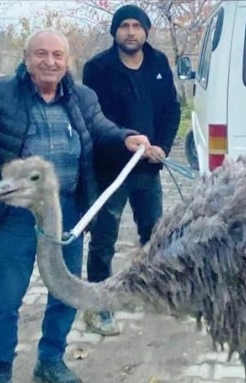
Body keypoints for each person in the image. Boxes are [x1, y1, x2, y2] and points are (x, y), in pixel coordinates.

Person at [0, 28, 150, 383]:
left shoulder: (81, 95)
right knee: (7, 298)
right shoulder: (0, 95)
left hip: (67, 211)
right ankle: (0, 374)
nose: (50, 62)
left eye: (58, 55)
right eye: (42, 54)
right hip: (18, 214)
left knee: (66, 291)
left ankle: (50, 360)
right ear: (27, 58)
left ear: (67, 61)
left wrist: (126, 137)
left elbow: (100, 128)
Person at [81, 5, 181, 336]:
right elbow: (94, 119)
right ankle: (99, 304)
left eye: (137, 25)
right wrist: (123, 142)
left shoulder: (159, 63)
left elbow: (170, 109)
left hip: (148, 167)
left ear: (146, 31)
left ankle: (155, 291)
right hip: (111, 169)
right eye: (124, 25)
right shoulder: (97, 68)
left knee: (154, 233)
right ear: (115, 32)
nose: (130, 32)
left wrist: (163, 147)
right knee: (104, 236)